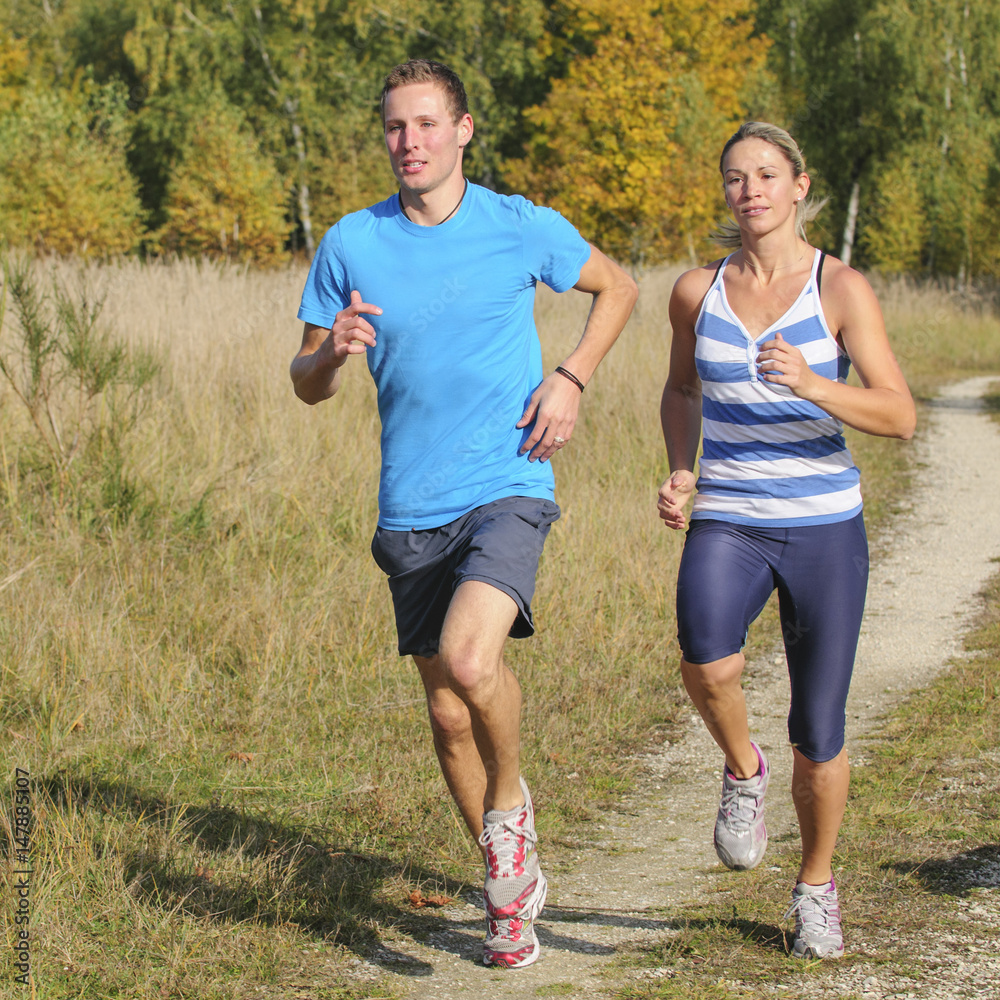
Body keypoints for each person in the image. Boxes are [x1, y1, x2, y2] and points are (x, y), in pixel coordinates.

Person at [291, 59, 637, 968]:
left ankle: (511, 814)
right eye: (396, 128)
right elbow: (307, 387)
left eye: (427, 125)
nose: (410, 143)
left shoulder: (516, 224)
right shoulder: (350, 243)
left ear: (464, 130)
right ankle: (506, 884)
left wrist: (570, 377)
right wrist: (329, 354)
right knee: (447, 716)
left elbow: (621, 288)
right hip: (410, 502)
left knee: (470, 658)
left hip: (509, 478)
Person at [657, 121, 915, 959]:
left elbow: (899, 415)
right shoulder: (696, 292)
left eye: (768, 174)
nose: (752, 190)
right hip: (729, 512)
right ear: (725, 192)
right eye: (736, 177)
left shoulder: (839, 291)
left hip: (822, 526)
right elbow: (679, 390)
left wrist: (813, 384)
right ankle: (741, 770)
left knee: (821, 728)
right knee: (705, 657)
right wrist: (681, 468)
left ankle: (815, 887)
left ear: (800, 185)